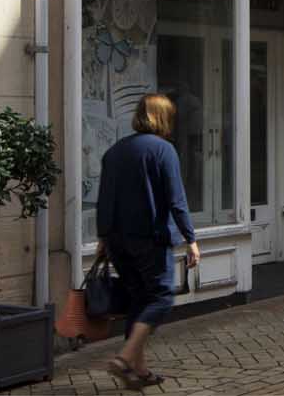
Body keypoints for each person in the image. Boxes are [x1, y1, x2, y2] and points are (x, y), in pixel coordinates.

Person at [96, 93, 200, 391]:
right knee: (161, 296)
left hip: (117, 240)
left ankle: (138, 372)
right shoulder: (163, 150)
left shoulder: (115, 151)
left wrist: (104, 237)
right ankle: (126, 357)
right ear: (164, 118)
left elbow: (105, 198)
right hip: (149, 239)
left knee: (139, 301)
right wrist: (190, 239)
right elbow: (176, 199)